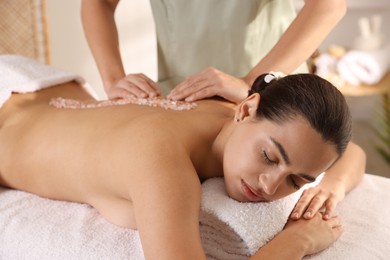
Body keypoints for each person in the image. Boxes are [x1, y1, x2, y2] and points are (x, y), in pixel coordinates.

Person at [0, 73, 365, 259]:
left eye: (296, 180)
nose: (270, 186)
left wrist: (328, 188)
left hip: (47, 99)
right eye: (269, 157)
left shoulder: (232, 106)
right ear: (247, 108)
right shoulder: (164, 165)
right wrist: (297, 241)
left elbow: (353, 153)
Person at [81, 0, 347, 103]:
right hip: (182, 99)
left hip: (272, 95)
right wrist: (113, 79)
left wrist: (251, 83)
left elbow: (328, 5)